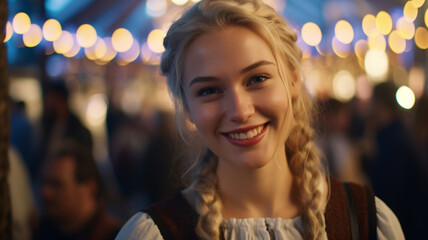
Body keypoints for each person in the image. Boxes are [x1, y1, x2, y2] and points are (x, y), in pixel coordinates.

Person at [116, 0, 404, 239]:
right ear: (187, 108)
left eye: (257, 78)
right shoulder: (152, 233)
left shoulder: (366, 221)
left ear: (293, 80)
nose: (240, 111)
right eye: (210, 90)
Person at [35, 143, 121, 240]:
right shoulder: (42, 230)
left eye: (57, 184)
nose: (45, 193)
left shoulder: (116, 236)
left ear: (91, 189)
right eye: (44, 182)